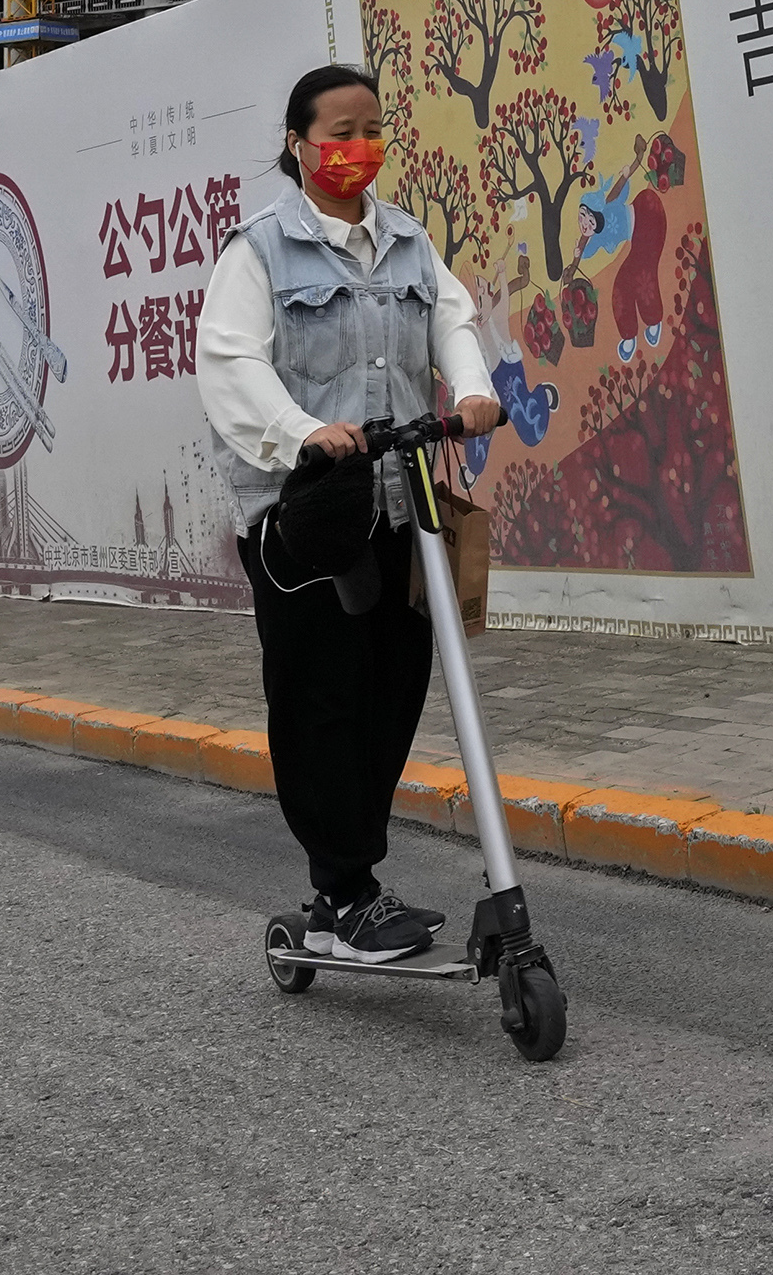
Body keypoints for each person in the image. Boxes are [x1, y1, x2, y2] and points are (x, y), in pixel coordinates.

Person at [195, 62, 507, 962]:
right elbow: (229, 365)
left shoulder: (409, 241)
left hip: (398, 503)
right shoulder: (258, 250)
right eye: (339, 130)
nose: (357, 147)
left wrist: (475, 387)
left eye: (372, 129)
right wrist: (303, 430)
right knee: (319, 692)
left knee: (395, 686)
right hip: (308, 512)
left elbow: (452, 319)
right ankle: (347, 890)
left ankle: (345, 887)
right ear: (297, 144)